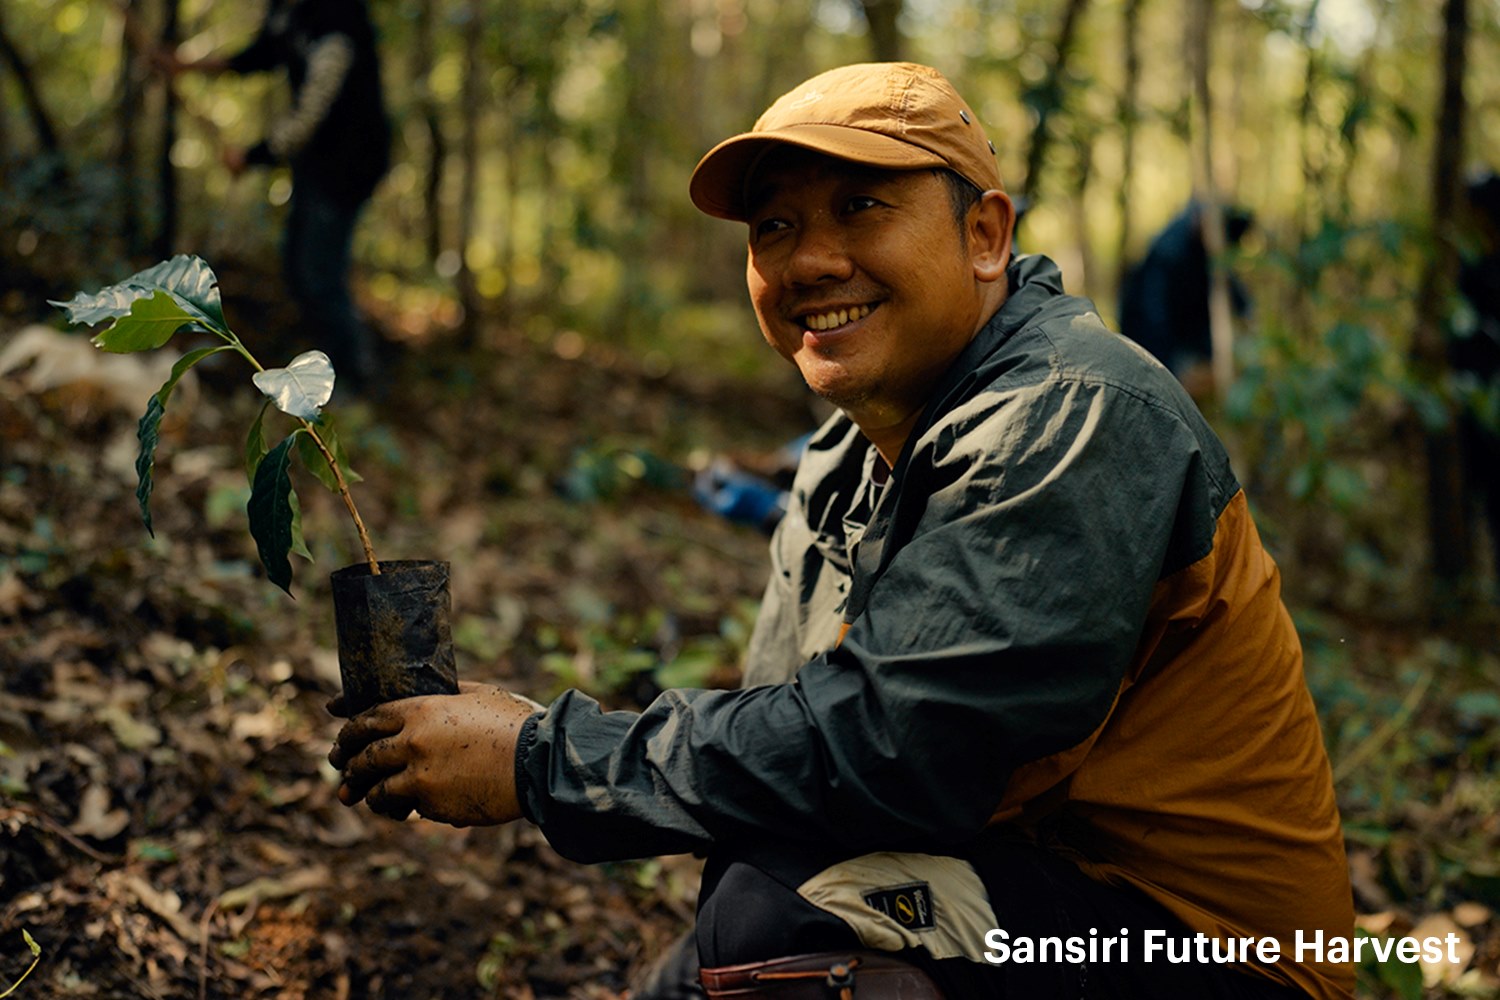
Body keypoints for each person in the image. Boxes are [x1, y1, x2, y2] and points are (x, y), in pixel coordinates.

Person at [329, 63, 1354, 1000]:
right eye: (774, 226)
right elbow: (789, 756)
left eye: (861, 206)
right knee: (740, 925)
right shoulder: (848, 452)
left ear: (985, 235)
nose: (810, 260)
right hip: (1027, 893)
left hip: (1216, 956)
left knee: (781, 916)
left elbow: (889, 755)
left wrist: (540, 759)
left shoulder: (1076, 408)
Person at [158, 0, 392, 394]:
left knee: (319, 274)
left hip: (350, 166)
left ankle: (353, 376)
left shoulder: (339, 19)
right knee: (300, 269)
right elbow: (261, 55)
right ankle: (331, 366)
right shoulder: (288, 11)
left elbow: (314, 110)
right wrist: (186, 66)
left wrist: (253, 155)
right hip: (315, 165)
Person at [1118, 201, 1255, 397]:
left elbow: (1225, 279)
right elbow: (1154, 316)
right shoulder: (1169, 252)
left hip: (1189, 329)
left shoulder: (1208, 246)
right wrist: (1167, 370)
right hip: (1159, 336)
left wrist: (1246, 310)